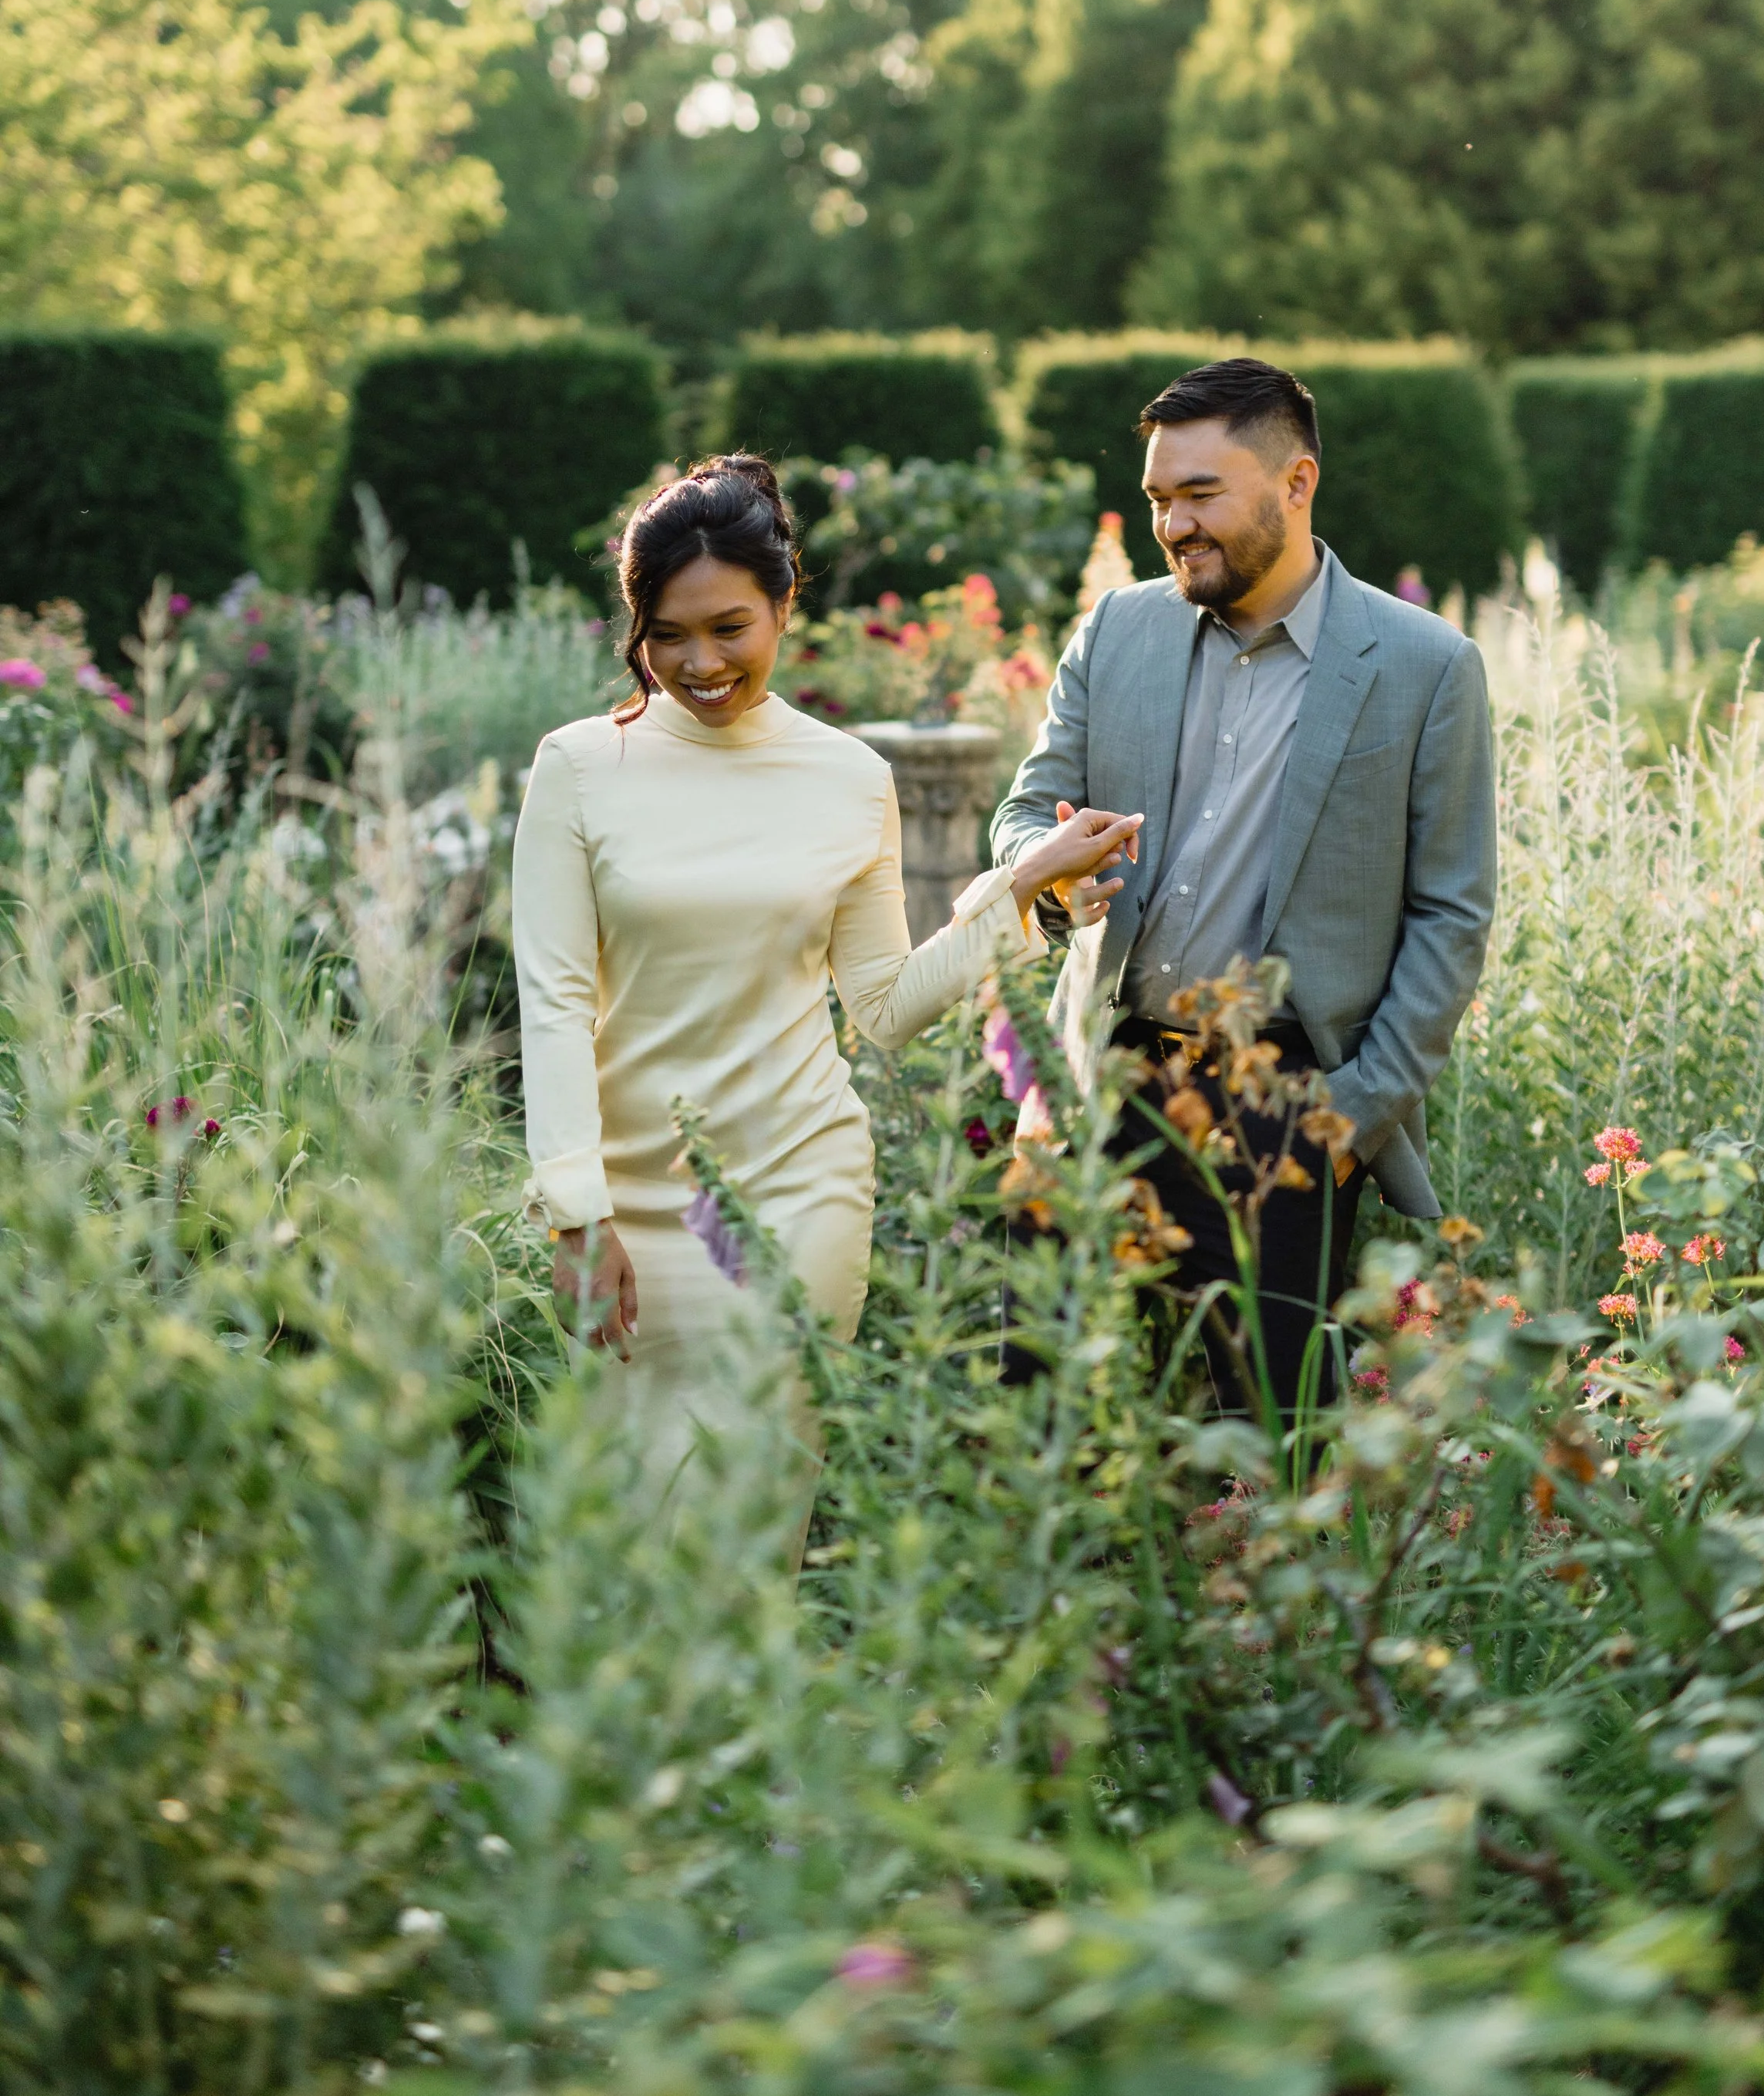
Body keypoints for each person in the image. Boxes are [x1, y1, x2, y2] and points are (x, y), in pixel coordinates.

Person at [511, 455, 1140, 1462]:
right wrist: (576, 1215)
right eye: (667, 635)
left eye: (729, 629)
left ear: (783, 605)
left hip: (804, 1196)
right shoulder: (578, 770)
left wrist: (1014, 894)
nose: (700, 663)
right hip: (629, 1210)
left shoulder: (850, 777)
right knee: (640, 1528)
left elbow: (884, 1009)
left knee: (758, 1519)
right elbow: (549, 1005)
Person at [989, 357, 1496, 1417]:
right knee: (1039, 1420)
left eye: (1201, 495)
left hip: (1290, 1101)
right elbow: (1024, 815)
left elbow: (1451, 915)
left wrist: (1350, 1120)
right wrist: (1050, 886)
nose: (1173, 525)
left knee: (1275, 1438)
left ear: (1296, 483)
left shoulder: (1426, 666)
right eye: (1159, 500)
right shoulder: (1115, 630)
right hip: (1102, 1071)